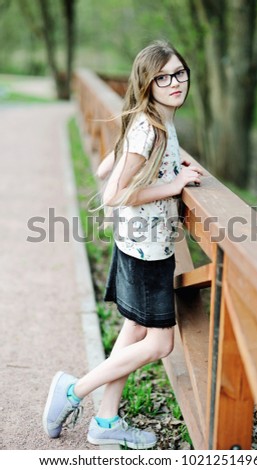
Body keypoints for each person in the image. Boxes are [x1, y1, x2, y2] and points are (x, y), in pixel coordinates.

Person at [43, 40, 202, 449]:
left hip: (137, 244)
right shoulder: (149, 127)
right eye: (162, 77)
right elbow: (113, 192)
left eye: (179, 73)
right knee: (160, 342)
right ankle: (74, 391)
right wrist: (175, 183)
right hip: (147, 250)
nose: (174, 84)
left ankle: (106, 421)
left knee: (134, 329)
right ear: (147, 84)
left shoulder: (151, 122)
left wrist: (175, 158)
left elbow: (105, 164)